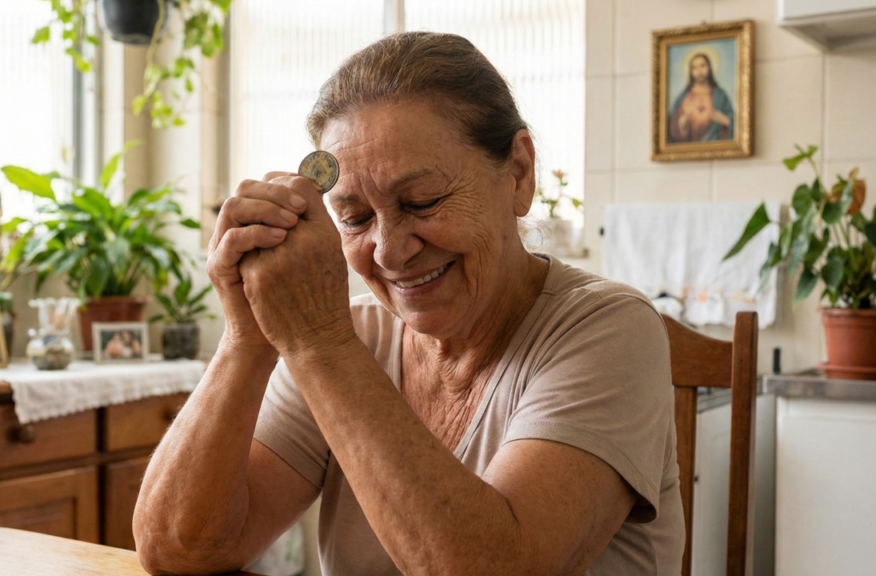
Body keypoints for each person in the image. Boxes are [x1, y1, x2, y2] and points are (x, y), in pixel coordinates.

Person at [134, 32, 682, 575]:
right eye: (354, 218)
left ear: (518, 173)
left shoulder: (611, 330)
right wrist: (247, 336)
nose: (390, 251)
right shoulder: (352, 337)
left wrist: (319, 343)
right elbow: (178, 549)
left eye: (422, 201)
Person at [668, 52, 734, 143]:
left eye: (702, 66)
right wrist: (684, 119)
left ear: (709, 68)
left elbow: (735, 122)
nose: (699, 71)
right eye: (694, 68)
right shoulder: (684, 97)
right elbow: (671, 129)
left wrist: (724, 120)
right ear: (690, 72)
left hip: (715, 147)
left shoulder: (720, 95)